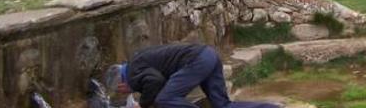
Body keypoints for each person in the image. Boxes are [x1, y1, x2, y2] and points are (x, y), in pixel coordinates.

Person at [104, 43, 279, 108]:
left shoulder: (133, 73)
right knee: (223, 104)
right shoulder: (137, 60)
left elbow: (156, 81)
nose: (125, 94)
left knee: (165, 98)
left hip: (197, 60)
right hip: (208, 53)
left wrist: (142, 105)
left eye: (121, 92)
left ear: (121, 84)